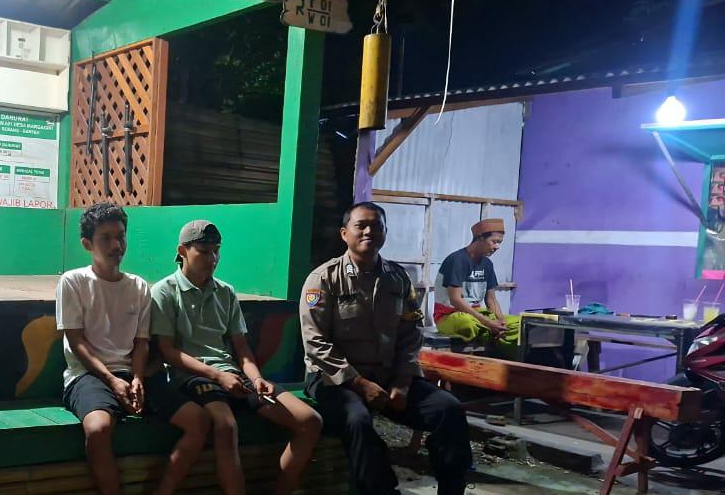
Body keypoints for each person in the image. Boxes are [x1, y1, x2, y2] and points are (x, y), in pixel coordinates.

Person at [300, 202, 471, 495]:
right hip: (333, 379)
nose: (369, 231)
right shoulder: (323, 279)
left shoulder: (398, 277)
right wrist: (359, 383)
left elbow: (411, 332)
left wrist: (403, 382)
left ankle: (452, 489)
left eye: (376, 226)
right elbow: (315, 341)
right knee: (357, 421)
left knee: (449, 410)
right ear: (344, 234)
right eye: (361, 226)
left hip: (389, 376)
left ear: (385, 233)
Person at [150, 220, 322, 495]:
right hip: (193, 376)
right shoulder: (164, 291)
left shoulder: (225, 292)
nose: (213, 259)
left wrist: (257, 379)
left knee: (309, 421)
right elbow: (169, 352)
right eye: (204, 252)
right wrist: (217, 376)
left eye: (216, 251)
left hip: (234, 375)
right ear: (182, 251)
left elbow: (242, 348)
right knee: (226, 426)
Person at [56, 203, 207, 495]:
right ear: (87, 244)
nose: (116, 245)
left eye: (121, 236)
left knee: (198, 421)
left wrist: (137, 378)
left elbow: (141, 343)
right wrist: (112, 380)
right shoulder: (73, 282)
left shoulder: (138, 286)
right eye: (106, 238)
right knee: (98, 429)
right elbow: (76, 342)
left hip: (132, 374)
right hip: (87, 375)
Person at [434, 218, 521, 358]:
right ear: (480, 238)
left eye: (499, 243)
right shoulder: (457, 260)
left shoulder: (487, 264)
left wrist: (501, 322)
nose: (497, 247)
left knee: (519, 324)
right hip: (450, 316)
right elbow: (456, 300)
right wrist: (488, 323)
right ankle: (492, 335)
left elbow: (491, 300)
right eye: (494, 241)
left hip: (477, 314)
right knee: (467, 323)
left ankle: (496, 335)